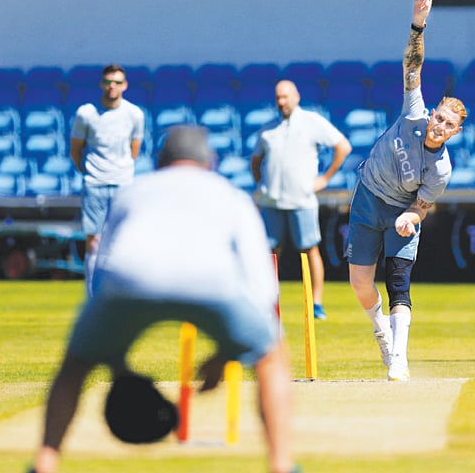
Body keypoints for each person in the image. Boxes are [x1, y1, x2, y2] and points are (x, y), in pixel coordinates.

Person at [31, 126, 295, 473]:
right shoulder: (230, 194)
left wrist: (112, 358)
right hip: (211, 277)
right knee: (271, 358)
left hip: (127, 278)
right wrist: (228, 353)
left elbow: (99, 261)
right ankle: (281, 465)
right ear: (210, 162)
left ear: (159, 162)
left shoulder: (133, 191)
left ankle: (45, 463)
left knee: (74, 368)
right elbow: (260, 279)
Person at [345, 0, 467, 381]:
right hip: (367, 197)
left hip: (401, 212)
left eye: (449, 124)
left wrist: (410, 217)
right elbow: (412, 66)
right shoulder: (414, 113)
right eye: (440, 116)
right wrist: (418, 24)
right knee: (360, 283)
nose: (439, 124)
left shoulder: (442, 168)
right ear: (433, 112)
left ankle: (399, 357)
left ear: (455, 132)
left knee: (398, 282)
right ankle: (380, 330)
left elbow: (423, 206)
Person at [251, 80, 352, 320]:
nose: (281, 102)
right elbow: (256, 160)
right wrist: (261, 185)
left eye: (285, 96)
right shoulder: (268, 129)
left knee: (309, 250)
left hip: (302, 200)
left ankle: (316, 303)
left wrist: (325, 178)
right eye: (278, 97)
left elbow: (343, 146)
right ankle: (267, 302)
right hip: (272, 202)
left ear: (296, 96)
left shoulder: (312, 122)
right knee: (270, 253)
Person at [69, 63, 144, 297]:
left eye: (118, 82)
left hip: (122, 183)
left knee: (121, 241)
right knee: (94, 241)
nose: (113, 86)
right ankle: (94, 295)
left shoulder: (134, 114)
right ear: (102, 84)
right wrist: (90, 172)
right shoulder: (86, 113)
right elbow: (76, 149)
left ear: (125, 86)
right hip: (95, 183)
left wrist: (120, 169)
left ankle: (121, 293)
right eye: (109, 82)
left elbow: (134, 148)